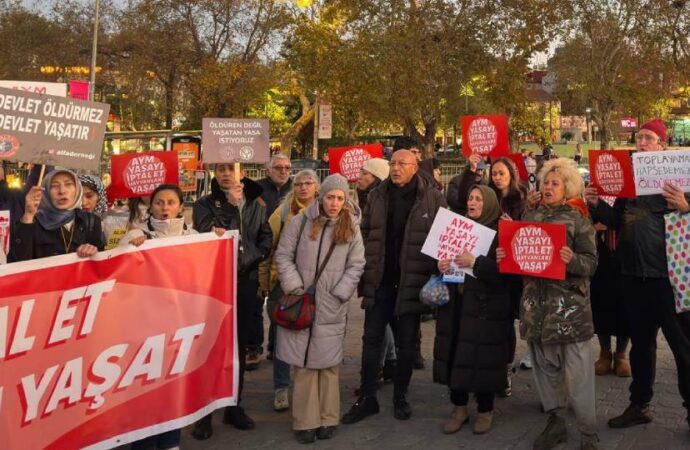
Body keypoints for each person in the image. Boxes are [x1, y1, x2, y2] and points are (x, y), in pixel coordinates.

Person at [585, 118, 690, 431]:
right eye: (638, 138)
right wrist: (595, 205)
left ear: (661, 144)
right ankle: (639, 405)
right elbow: (615, 219)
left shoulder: (680, 177)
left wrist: (685, 205)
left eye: (648, 138)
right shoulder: (627, 181)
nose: (641, 143)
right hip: (633, 275)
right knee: (642, 346)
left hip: (671, 278)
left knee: (683, 348)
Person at [498, 157, 598, 450]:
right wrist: (505, 256)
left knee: (579, 375)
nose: (549, 187)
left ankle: (588, 434)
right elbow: (519, 256)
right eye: (546, 183)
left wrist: (573, 260)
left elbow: (591, 263)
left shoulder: (578, 219)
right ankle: (555, 423)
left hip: (569, 312)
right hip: (536, 309)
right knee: (544, 371)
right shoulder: (530, 216)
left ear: (568, 188)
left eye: (556, 183)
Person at [342, 145, 447, 424]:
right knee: (371, 341)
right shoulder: (376, 196)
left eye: (403, 163)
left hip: (412, 284)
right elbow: (364, 236)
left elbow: (446, 237)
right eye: (393, 163)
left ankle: (401, 397)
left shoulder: (433, 198)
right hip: (381, 282)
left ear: (415, 167)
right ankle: (367, 398)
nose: (397, 168)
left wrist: (437, 268)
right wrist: (365, 277)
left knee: (406, 346)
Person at [274, 174, 365, 444]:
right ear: (321, 197)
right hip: (302, 302)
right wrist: (295, 287)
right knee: (303, 366)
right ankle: (305, 421)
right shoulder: (300, 222)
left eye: (339, 198)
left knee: (328, 365)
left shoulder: (352, 226)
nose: (335, 203)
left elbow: (356, 263)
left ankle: (328, 418)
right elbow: (283, 255)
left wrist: (341, 293)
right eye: (330, 197)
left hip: (331, 305)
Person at [192, 163, 273, 439]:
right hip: (214, 285)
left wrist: (254, 257)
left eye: (231, 168)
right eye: (221, 169)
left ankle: (233, 405)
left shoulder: (255, 203)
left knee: (237, 347)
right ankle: (203, 414)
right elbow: (206, 232)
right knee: (212, 348)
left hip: (244, 283)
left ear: (240, 171)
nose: (226, 174)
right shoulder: (204, 204)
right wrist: (228, 206)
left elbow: (265, 235)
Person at [119, 183, 199, 450]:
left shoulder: (195, 237)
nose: (165, 208)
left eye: (171, 203)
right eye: (159, 203)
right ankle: (141, 442)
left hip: (178, 327)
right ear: (150, 206)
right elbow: (119, 274)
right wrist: (129, 246)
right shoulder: (136, 234)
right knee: (142, 389)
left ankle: (170, 441)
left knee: (171, 388)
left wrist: (219, 240)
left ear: (180, 207)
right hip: (144, 329)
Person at [434, 185, 512, 435]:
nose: (473, 202)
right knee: (456, 354)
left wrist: (476, 263)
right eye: (470, 197)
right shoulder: (456, 228)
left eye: (479, 198)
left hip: (485, 309)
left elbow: (505, 274)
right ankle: (459, 408)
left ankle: (485, 409)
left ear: (488, 203)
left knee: (483, 359)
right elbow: (438, 259)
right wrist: (441, 265)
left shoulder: (499, 233)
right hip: (457, 306)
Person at [259, 169, 321, 412]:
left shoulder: (326, 210)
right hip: (283, 285)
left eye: (308, 183)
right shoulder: (282, 213)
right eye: (299, 184)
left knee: (313, 338)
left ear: (317, 187)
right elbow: (268, 249)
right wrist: (264, 283)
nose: (303, 188)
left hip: (315, 285)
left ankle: (308, 388)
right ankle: (281, 388)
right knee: (283, 338)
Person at [354, 158, 397, 389]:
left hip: (379, 269)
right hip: (368, 266)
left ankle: (377, 369)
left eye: (365, 174)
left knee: (377, 324)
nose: (359, 177)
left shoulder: (381, 201)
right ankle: (389, 362)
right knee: (382, 321)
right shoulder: (362, 199)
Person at [9, 168, 104, 262]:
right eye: (54, 186)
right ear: (45, 191)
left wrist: (93, 252)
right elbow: (17, 261)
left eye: (68, 184)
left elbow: (102, 262)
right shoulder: (32, 222)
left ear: (78, 190)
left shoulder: (91, 221)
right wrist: (28, 215)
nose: (62, 191)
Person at [253, 153, 294, 368]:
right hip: (260, 253)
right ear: (268, 170)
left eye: (287, 168)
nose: (284, 171)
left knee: (281, 306)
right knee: (257, 302)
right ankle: (255, 346)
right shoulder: (257, 189)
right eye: (278, 167)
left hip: (284, 259)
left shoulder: (295, 190)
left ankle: (275, 347)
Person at [590, 219, 631, 377]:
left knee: (625, 308)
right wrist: (592, 229)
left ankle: (621, 354)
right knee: (602, 307)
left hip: (626, 259)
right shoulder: (595, 202)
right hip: (601, 261)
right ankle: (604, 353)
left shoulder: (629, 202)